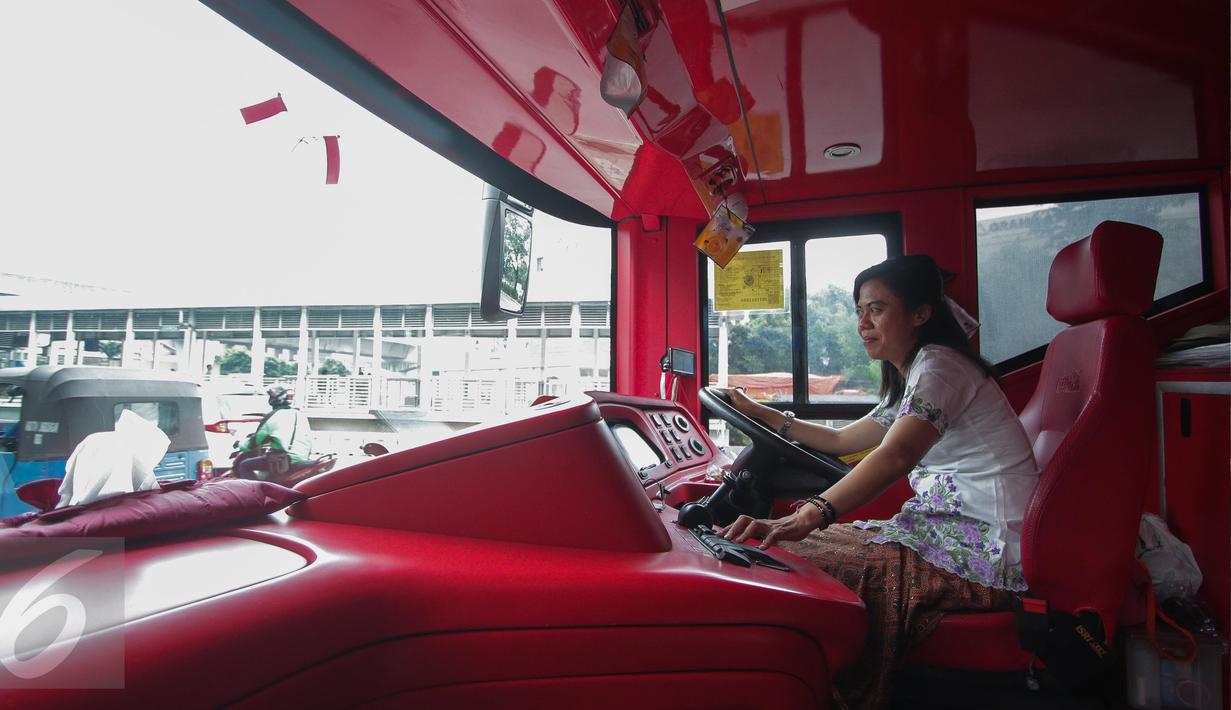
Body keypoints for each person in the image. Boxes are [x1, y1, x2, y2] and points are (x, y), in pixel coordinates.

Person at [720, 254, 1039, 709]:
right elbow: (842, 439)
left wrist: (810, 515)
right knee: (790, 554)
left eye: (877, 309)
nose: (863, 324)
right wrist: (757, 413)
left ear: (920, 314)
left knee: (787, 555)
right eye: (858, 311)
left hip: (984, 547)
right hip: (950, 530)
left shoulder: (940, 367)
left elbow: (895, 455)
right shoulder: (918, 372)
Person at [234, 386, 315, 481]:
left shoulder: (273, 416)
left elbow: (254, 442)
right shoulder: (300, 415)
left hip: (286, 461)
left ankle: (253, 494)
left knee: (245, 465)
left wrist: (240, 444)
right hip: (303, 458)